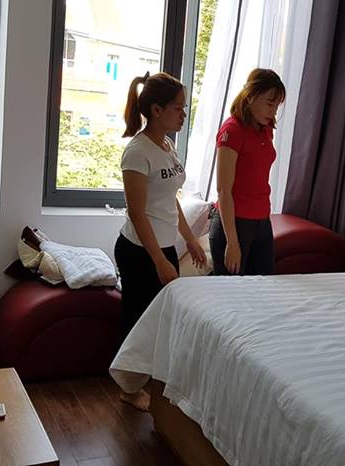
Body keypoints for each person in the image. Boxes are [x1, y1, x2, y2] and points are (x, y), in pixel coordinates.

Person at [114, 72, 206, 410]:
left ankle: (149, 381)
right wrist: (159, 261)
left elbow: (170, 200)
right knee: (139, 319)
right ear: (156, 110)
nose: (184, 114)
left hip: (162, 247)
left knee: (161, 320)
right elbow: (137, 213)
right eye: (178, 108)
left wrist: (190, 239)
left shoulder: (167, 146)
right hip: (139, 250)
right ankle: (127, 388)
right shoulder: (137, 152)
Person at [209, 69, 286, 275]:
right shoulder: (232, 130)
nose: (273, 112)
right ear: (250, 96)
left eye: (276, 106)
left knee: (261, 289)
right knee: (232, 292)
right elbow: (223, 190)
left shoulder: (265, 128)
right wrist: (232, 243)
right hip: (234, 223)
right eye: (269, 104)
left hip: (261, 220)